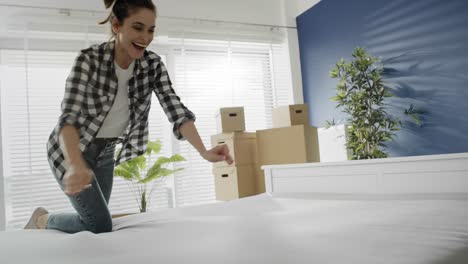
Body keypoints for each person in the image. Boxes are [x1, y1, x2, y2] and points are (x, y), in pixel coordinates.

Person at [23, 0, 233, 233]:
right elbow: (68, 118)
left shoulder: (152, 65)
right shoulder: (89, 59)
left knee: (94, 224)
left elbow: (176, 109)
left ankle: (43, 218)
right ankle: (42, 220)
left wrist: (204, 151)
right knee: (100, 225)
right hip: (70, 151)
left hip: (106, 153)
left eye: (151, 29)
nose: (146, 36)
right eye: (138, 27)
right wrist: (74, 165)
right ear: (116, 25)